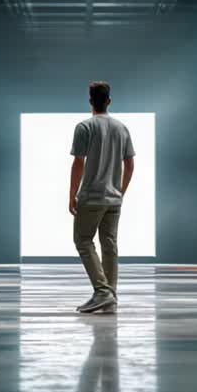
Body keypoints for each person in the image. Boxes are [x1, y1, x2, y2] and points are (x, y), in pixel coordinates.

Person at [69, 81, 135, 314]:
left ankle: (102, 292)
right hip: (113, 199)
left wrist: (72, 195)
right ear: (109, 101)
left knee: (83, 240)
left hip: (91, 197)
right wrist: (120, 192)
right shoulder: (121, 128)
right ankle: (110, 295)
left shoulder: (84, 127)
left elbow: (79, 163)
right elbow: (130, 165)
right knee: (109, 244)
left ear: (90, 101)